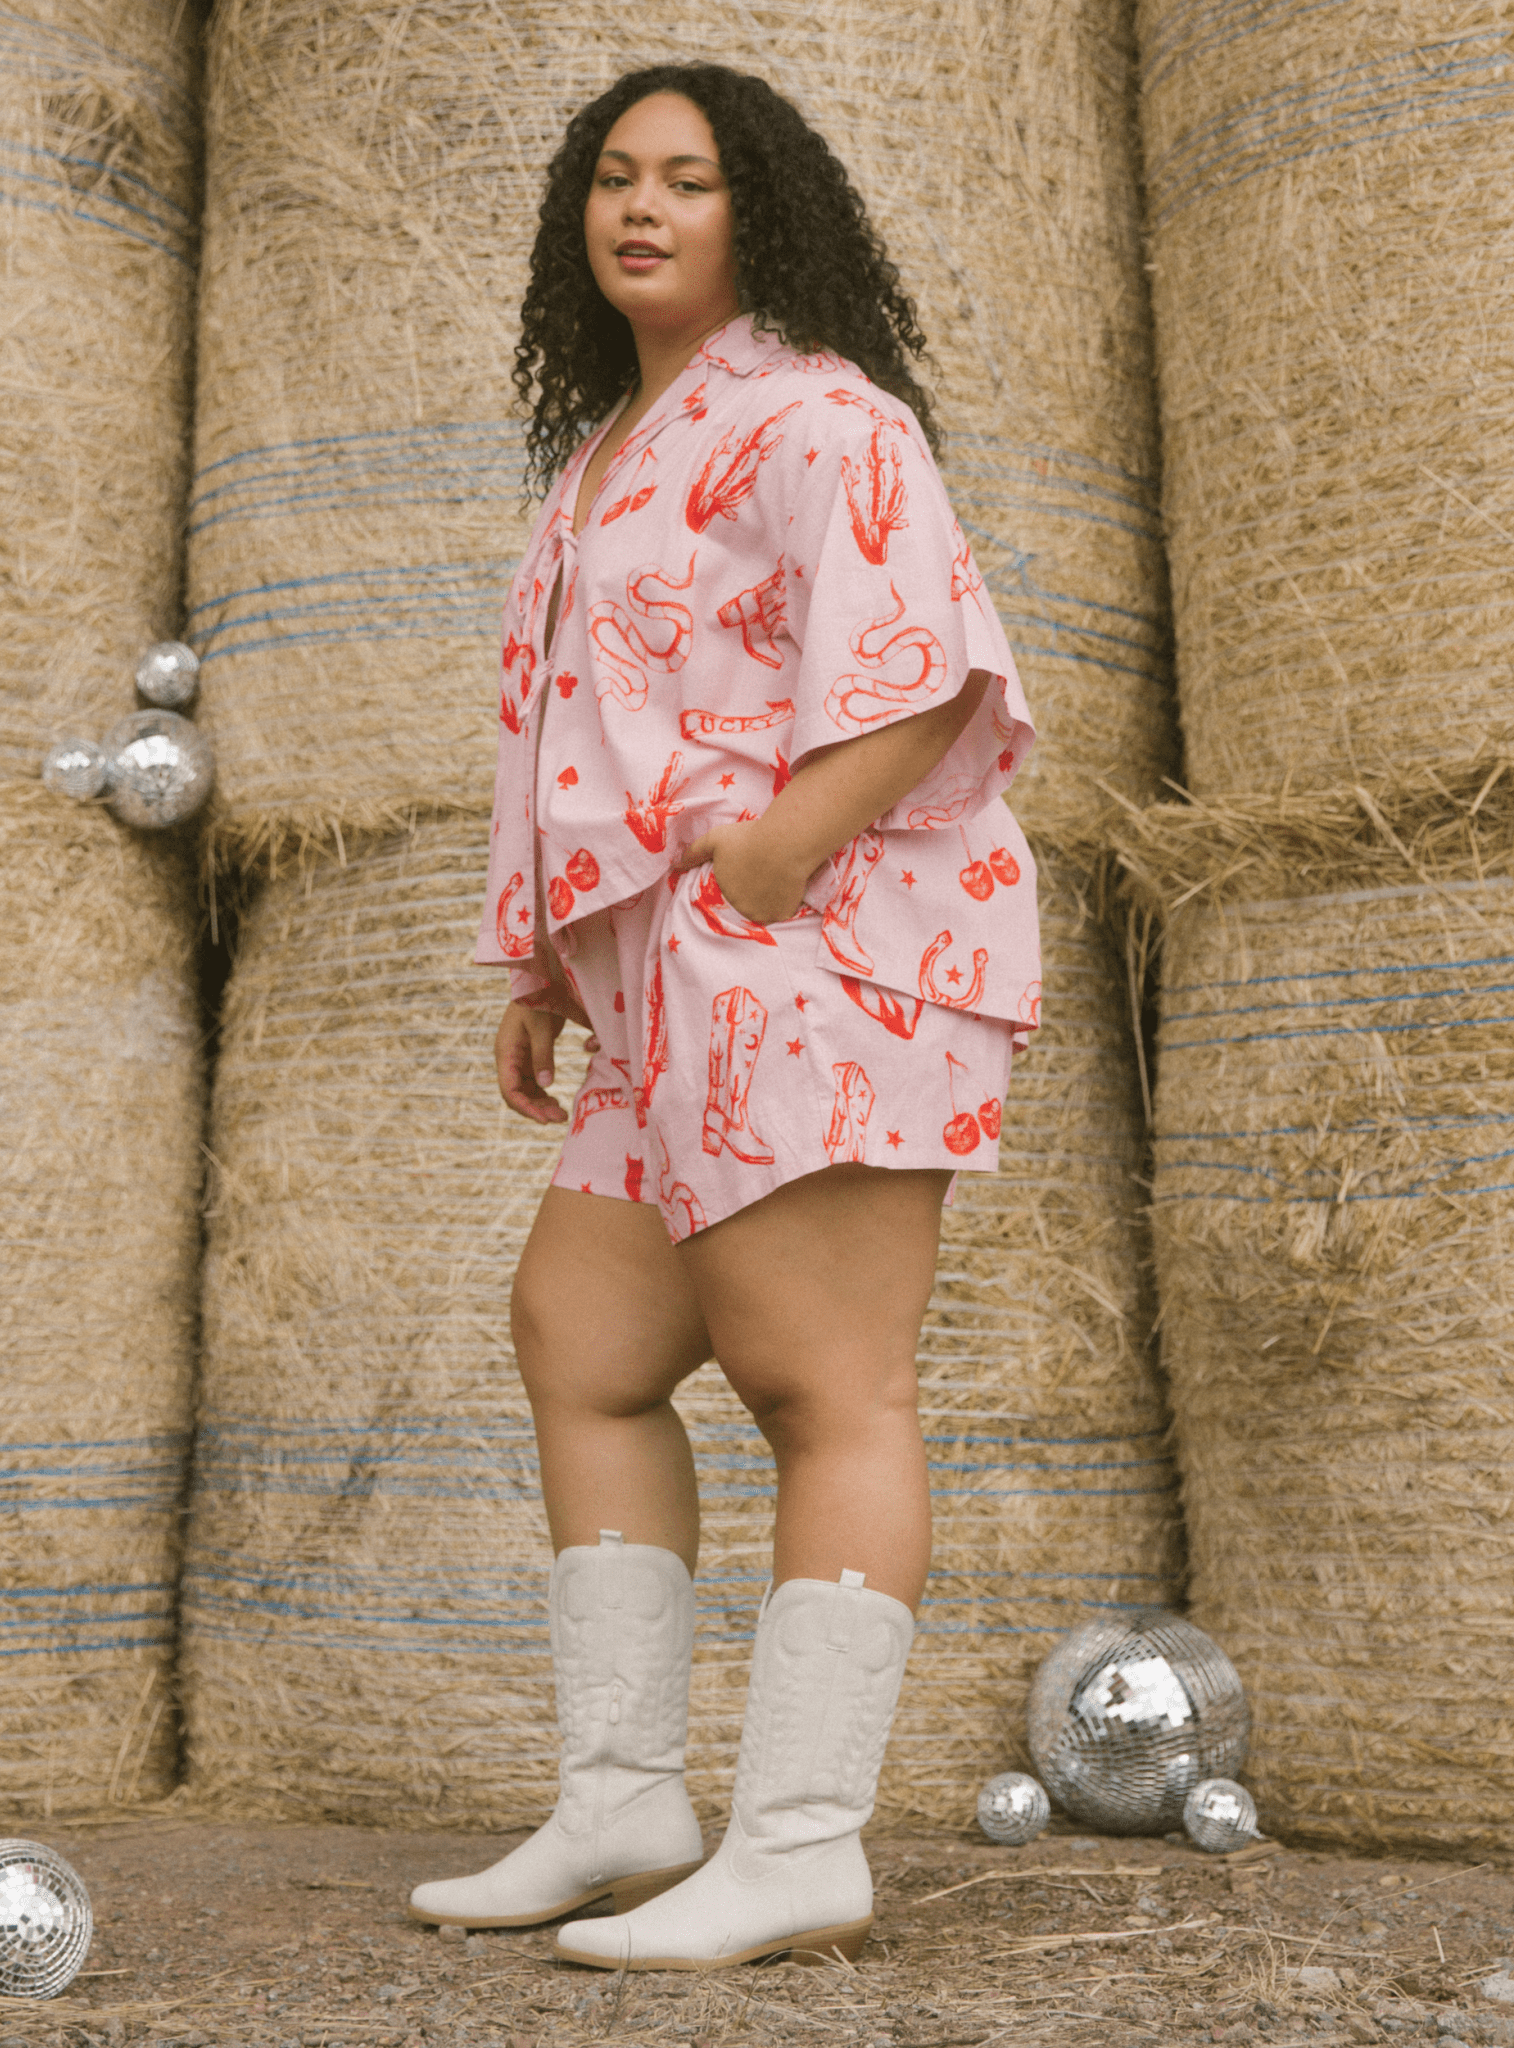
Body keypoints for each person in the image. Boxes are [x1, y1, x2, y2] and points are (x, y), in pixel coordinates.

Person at [408, 62, 1039, 1971]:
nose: (643, 208)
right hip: (660, 987)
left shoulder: (823, 415)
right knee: (584, 1338)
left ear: (757, 210)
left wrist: (765, 865)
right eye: (615, 177)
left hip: (819, 956)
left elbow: (931, 675)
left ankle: (799, 1845)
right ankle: (621, 1801)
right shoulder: (612, 444)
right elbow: (593, 726)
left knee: (817, 1383)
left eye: (688, 180)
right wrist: (553, 963)